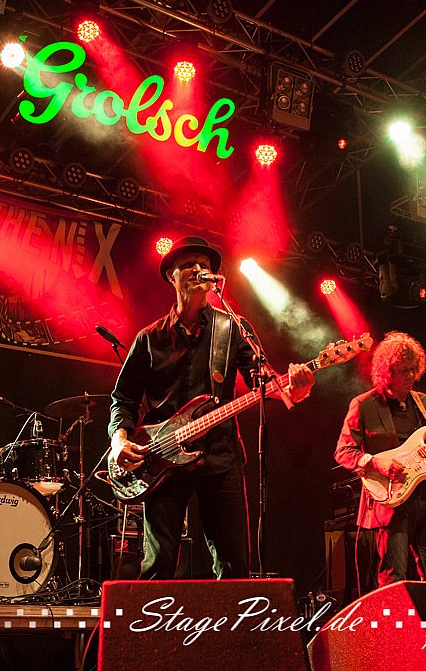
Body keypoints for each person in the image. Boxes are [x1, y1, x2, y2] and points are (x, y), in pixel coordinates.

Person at [108, 236, 315, 579]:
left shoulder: (231, 327)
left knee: (234, 564)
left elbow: (263, 381)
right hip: (159, 456)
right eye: (188, 265)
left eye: (203, 265)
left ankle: (232, 616)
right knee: (159, 562)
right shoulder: (149, 338)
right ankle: (153, 616)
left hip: (220, 457)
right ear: (171, 276)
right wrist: (119, 441)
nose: (198, 270)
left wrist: (296, 389)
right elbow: (123, 398)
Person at [334, 331, 426, 587]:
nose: (411, 376)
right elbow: (343, 451)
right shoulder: (364, 404)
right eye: (404, 370)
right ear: (387, 372)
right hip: (389, 502)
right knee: (393, 579)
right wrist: (377, 463)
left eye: (414, 369)